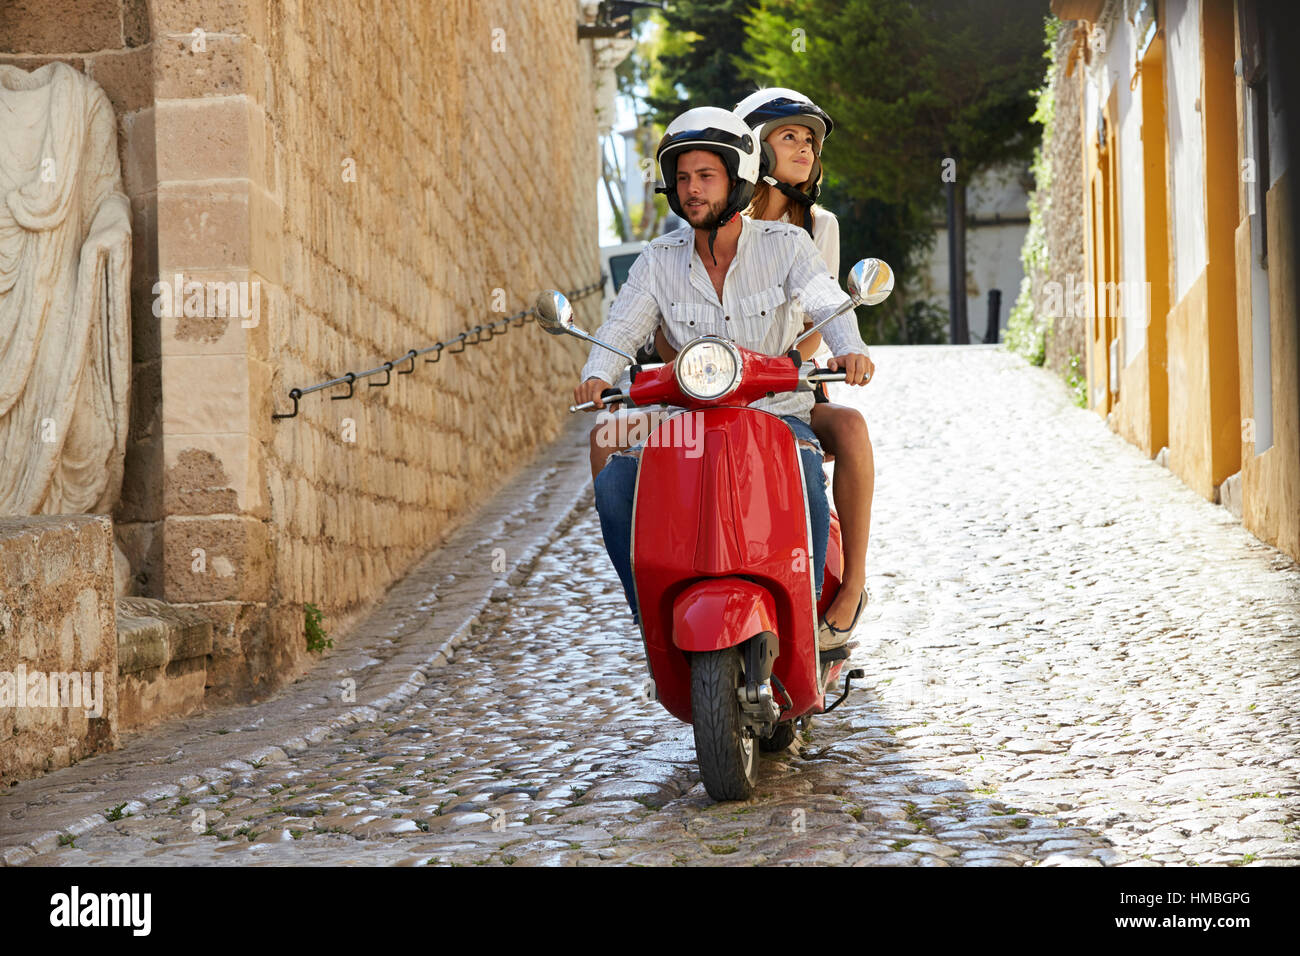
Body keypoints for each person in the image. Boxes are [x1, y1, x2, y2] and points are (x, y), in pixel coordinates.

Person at [573, 106, 875, 649]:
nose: (692, 189)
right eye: (683, 178)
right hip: (686, 423)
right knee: (610, 454)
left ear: (736, 179)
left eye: (705, 176)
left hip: (776, 417)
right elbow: (622, 324)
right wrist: (598, 372)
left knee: (807, 476)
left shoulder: (787, 246)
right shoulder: (658, 259)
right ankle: (647, 612)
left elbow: (827, 300)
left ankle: (806, 613)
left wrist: (850, 350)